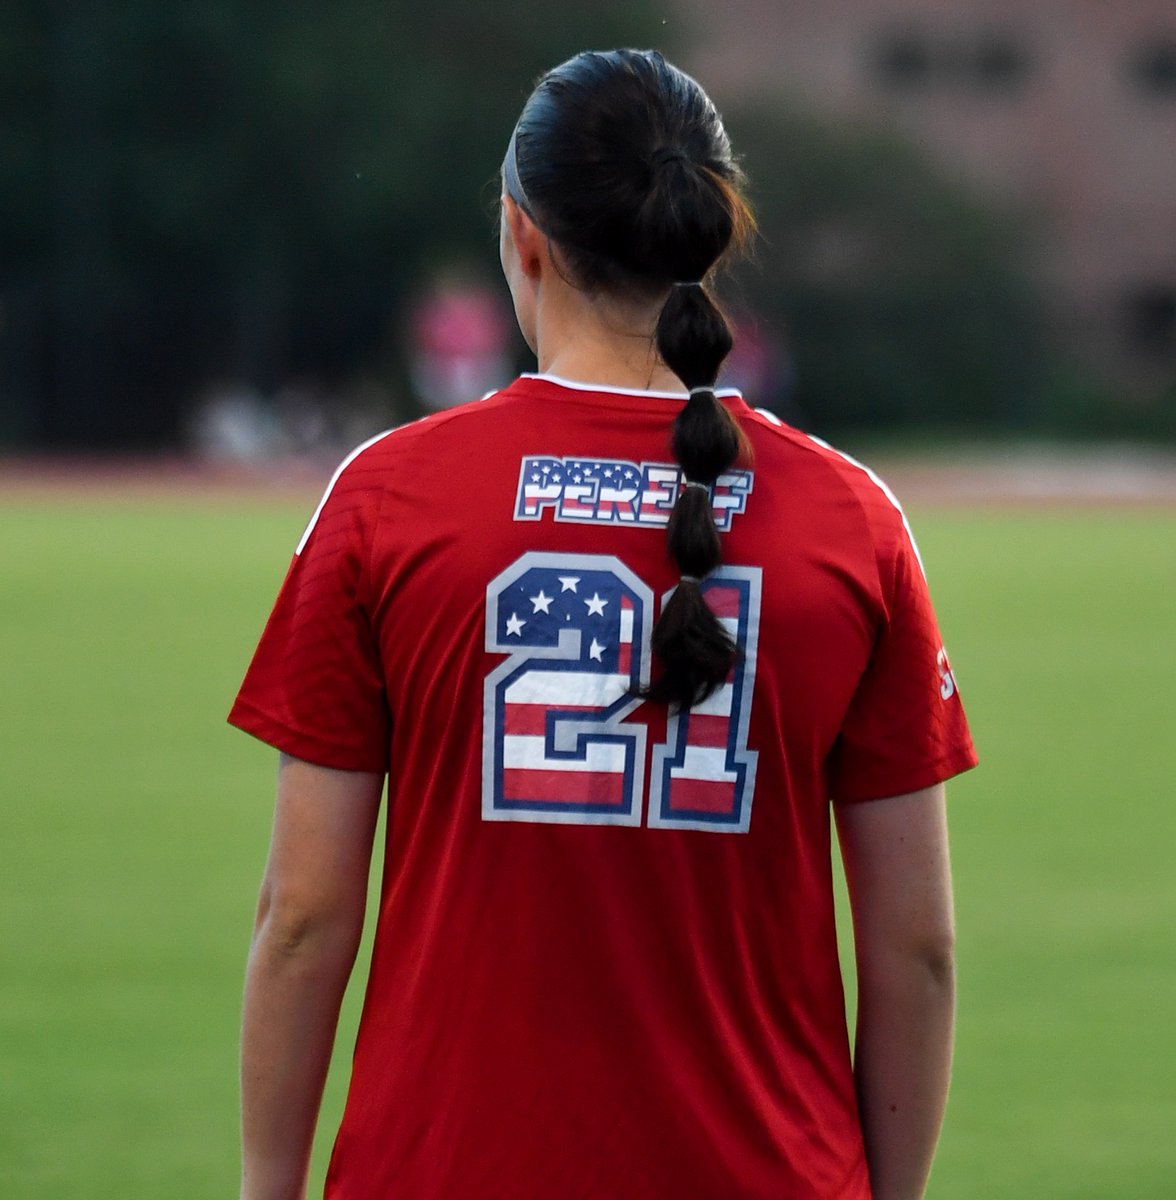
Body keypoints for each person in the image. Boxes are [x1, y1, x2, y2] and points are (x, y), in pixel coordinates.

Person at [231, 49, 977, 1200]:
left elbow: (302, 918)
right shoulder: (852, 520)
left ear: (521, 237)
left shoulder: (387, 497)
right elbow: (916, 948)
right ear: (707, 235)